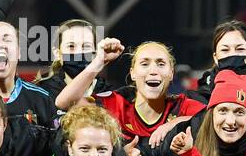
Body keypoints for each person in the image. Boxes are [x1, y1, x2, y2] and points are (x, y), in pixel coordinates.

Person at [61, 39, 203, 141]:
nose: (153, 70)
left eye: (161, 64)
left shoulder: (183, 106)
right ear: (133, 73)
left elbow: (213, 118)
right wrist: (99, 61)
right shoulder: (115, 103)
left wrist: (175, 123)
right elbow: (65, 103)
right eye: (144, 64)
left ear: (171, 73)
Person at [34, 19, 106, 101]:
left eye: (86, 46)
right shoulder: (41, 93)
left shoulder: (108, 93)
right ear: (57, 53)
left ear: (96, 53)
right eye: (71, 46)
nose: (79, 52)